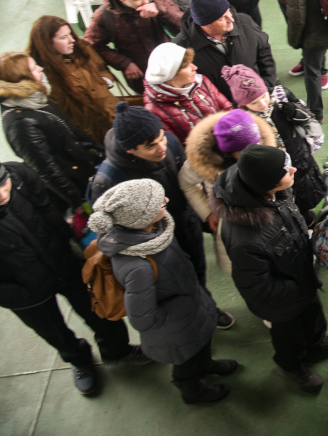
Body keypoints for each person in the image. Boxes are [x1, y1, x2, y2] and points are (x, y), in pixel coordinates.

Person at [0, 161, 148, 396]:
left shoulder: (18, 174)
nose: (1, 195)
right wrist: (19, 296)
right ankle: (79, 359)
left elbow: (47, 207)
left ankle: (117, 350)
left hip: (63, 262)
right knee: (53, 331)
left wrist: (70, 243)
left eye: (2, 184)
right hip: (27, 293)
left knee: (99, 309)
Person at [211, 145, 328, 393]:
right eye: (286, 170)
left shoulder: (270, 191)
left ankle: (315, 344)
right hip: (282, 301)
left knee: (313, 315)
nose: (293, 169)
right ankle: (290, 365)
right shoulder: (245, 239)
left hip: (300, 276)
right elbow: (257, 287)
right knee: (289, 336)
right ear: (268, 183)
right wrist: (295, 288)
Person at [89, 102, 236, 330]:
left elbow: (187, 181)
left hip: (185, 224)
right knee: (175, 284)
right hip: (154, 244)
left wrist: (205, 212)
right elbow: (110, 229)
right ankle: (194, 317)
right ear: (130, 150)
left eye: (161, 137)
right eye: (151, 146)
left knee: (197, 270)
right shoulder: (108, 180)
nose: (162, 147)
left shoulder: (170, 142)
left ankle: (206, 305)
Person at [90, 179, 238, 404]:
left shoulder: (155, 232)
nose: (167, 200)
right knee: (186, 361)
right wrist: (180, 309)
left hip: (191, 308)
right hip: (177, 327)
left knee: (200, 347)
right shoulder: (137, 266)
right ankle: (192, 391)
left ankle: (206, 365)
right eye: (159, 202)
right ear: (141, 217)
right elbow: (142, 318)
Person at [0, 52, 103, 212]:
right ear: (21, 79)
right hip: (80, 186)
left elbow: (71, 129)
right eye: (33, 68)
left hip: (88, 169)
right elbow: (47, 170)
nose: (40, 68)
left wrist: (100, 151)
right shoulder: (19, 123)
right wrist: (78, 201)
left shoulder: (36, 99)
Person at [180, 108, 276, 274]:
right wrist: (208, 212)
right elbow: (187, 184)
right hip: (232, 225)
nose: (257, 149)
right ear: (230, 152)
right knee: (246, 270)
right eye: (246, 149)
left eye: (257, 142)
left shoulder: (264, 147)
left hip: (271, 218)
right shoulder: (206, 163)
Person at [222, 64, 325, 214]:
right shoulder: (242, 123)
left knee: (310, 193)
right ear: (242, 104)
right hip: (276, 175)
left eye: (264, 96)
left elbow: (309, 118)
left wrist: (296, 112)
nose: (263, 104)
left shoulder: (282, 96)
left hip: (301, 160)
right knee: (291, 205)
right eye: (254, 102)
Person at [84, 0, 183, 94]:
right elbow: (92, 45)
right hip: (142, 75)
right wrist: (124, 63)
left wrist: (161, 10)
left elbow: (182, 25)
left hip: (172, 65)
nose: (146, 1)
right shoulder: (104, 16)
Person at [172, 0, 278, 104]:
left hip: (259, 101)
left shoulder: (245, 22)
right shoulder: (181, 48)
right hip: (224, 111)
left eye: (228, 12)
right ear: (205, 24)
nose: (231, 19)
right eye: (222, 18)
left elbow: (264, 52)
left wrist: (266, 88)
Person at [28, 15, 119, 143]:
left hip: (113, 115)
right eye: (63, 37)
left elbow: (102, 69)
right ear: (46, 43)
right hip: (88, 132)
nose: (72, 40)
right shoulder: (39, 72)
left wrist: (105, 82)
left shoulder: (82, 49)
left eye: (70, 34)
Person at [142, 42, 232, 143]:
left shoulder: (202, 82)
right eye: (186, 66)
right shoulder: (154, 110)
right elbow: (174, 146)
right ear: (170, 75)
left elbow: (228, 110)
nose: (194, 67)